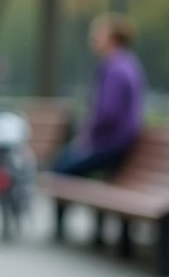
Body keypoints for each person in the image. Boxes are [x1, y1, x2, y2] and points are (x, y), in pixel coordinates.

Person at [52, 13, 145, 176]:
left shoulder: (115, 69)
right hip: (117, 142)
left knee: (59, 170)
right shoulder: (127, 63)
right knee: (61, 163)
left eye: (98, 34)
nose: (93, 38)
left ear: (113, 39)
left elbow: (107, 113)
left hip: (110, 144)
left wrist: (86, 136)